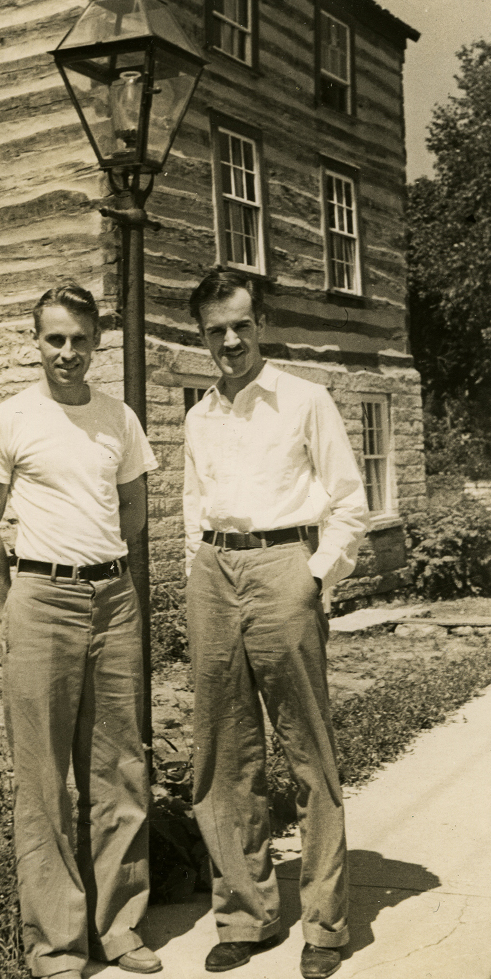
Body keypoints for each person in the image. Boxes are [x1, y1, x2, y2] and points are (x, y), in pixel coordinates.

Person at [0, 283, 161, 979]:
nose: (67, 353)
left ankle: (120, 927)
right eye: (54, 339)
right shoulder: (9, 419)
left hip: (113, 596)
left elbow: (133, 509)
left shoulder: (119, 419)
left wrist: (98, 563)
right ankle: (55, 945)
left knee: (118, 768)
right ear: (36, 341)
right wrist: (9, 607)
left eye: (79, 339)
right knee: (43, 778)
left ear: (96, 341)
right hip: (38, 598)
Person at [183, 269, 368, 979]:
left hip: (283, 565)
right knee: (223, 754)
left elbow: (347, 500)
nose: (229, 340)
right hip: (212, 572)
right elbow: (192, 502)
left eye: (240, 324)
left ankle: (324, 925)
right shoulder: (200, 414)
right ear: (202, 334)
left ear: (259, 322)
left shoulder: (304, 400)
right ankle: (246, 915)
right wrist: (195, 565)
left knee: (306, 750)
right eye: (214, 330)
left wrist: (316, 576)